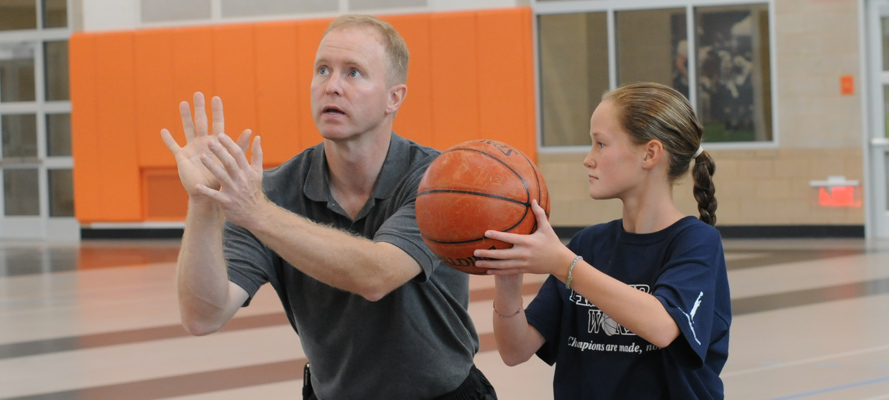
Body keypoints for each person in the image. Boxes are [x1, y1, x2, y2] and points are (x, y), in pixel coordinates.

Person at [160, 15, 495, 400]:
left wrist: (257, 212)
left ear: (394, 97)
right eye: (323, 70)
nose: (331, 86)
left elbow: (376, 275)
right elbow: (203, 315)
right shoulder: (269, 191)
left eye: (353, 73)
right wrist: (203, 201)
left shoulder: (438, 180)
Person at [474, 82, 731, 399]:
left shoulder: (696, 242)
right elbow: (515, 350)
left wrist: (563, 264)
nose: (588, 159)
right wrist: (509, 275)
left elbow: (663, 327)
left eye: (600, 144)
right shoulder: (589, 244)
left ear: (650, 154)